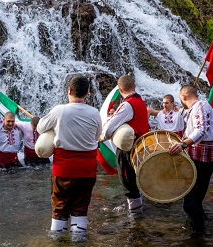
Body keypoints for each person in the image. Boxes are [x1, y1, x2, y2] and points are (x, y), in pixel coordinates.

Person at [37, 75, 102, 236]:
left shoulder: (60, 110)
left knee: (59, 209)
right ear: (87, 93)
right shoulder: (95, 113)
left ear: (69, 90)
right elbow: (97, 136)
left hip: (63, 169)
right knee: (80, 209)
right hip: (87, 171)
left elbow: (40, 128)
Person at [168, 85, 213, 236]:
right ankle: (202, 225)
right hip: (198, 156)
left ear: (183, 97)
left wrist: (182, 144)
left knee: (190, 203)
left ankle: (198, 236)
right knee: (195, 198)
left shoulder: (201, 106)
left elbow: (201, 130)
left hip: (202, 157)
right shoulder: (196, 108)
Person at [100, 74, 150, 217]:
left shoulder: (127, 104)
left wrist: (100, 137)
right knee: (134, 180)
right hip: (140, 146)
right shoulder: (140, 101)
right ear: (134, 86)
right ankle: (137, 211)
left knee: (128, 181)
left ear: (120, 90)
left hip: (128, 149)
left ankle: (135, 216)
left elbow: (109, 127)